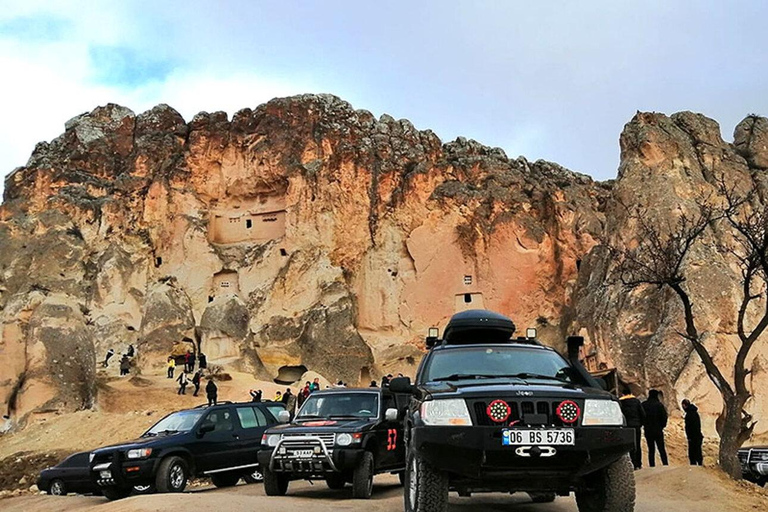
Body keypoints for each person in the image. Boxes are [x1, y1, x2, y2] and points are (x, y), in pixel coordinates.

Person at [619, 386, 646, 469]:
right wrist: (641, 423)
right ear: (630, 393)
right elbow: (642, 414)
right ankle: (638, 463)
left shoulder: (621, 402)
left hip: (627, 426)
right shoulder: (636, 401)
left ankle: (632, 463)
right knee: (637, 444)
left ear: (623, 394)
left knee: (630, 445)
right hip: (636, 425)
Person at [642, 389, 669, 467]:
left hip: (648, 430)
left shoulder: (644, 405)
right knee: (661, 448)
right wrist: (662, 426)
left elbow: (642, 416)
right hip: (658, 430)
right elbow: (664, 417)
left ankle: (652, 466)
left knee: (651, 449)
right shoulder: (659, 405)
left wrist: (645, 425)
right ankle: (665, 464)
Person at [682, 399, 704, 466]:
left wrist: (689, 436)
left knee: (692, 453)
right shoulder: (695, 413)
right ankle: (699, 465)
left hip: (693, 437)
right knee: (698, 452)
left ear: (684, 405)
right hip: (697, 436)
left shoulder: (689, 414)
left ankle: (694, 467)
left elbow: (689, 427)